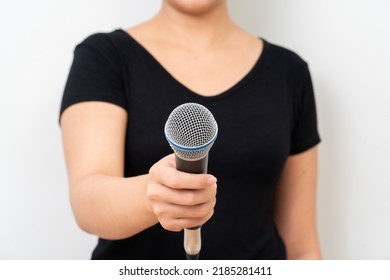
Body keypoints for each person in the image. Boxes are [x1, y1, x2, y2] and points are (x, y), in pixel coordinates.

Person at [60, 0, 321, 260]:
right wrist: (151, 197)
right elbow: (87, 201)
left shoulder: (289, 72)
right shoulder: (104, 57)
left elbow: (302, 248)